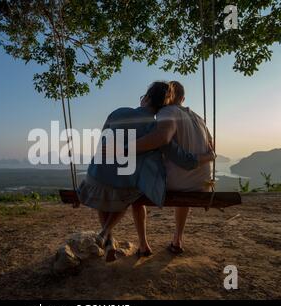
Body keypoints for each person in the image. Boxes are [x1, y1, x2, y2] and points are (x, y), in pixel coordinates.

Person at [78, 81, 214, 261]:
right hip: (127, 186)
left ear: (146, 98)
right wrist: (208, 157)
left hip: (94, 177)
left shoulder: (118, 112)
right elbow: (178, 154)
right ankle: (106, 232)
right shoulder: (158, 126)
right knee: (134, 189)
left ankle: (116, 240)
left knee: (113, 187)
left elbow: (104, 141)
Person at [133, 81, 214, 254]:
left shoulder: (167, 111)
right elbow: (212, 146)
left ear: (167, 97)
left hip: (178, 183)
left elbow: (162, 138)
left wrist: (124, 149)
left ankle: (143, 245)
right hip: (201, 183)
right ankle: (177, 239)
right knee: (182, 178)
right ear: (183, 98)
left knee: (134, 187)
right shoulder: (199, 118)